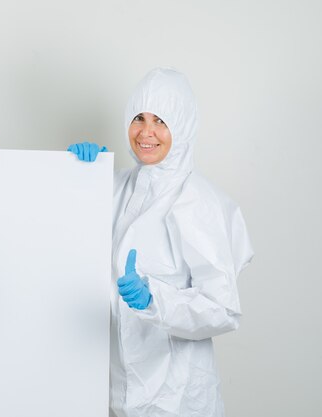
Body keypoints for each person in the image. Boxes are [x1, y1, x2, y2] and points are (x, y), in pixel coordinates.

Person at [68, 68, 253, 417]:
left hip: (177, 398)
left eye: (161, 121)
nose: (146, 132)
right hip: (111, 392)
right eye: (138, 118)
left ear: (181, 126)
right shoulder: (115, 186)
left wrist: (155, 300)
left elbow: (223, 309)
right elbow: (55, 231)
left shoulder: (198, 202)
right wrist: (77, 173)